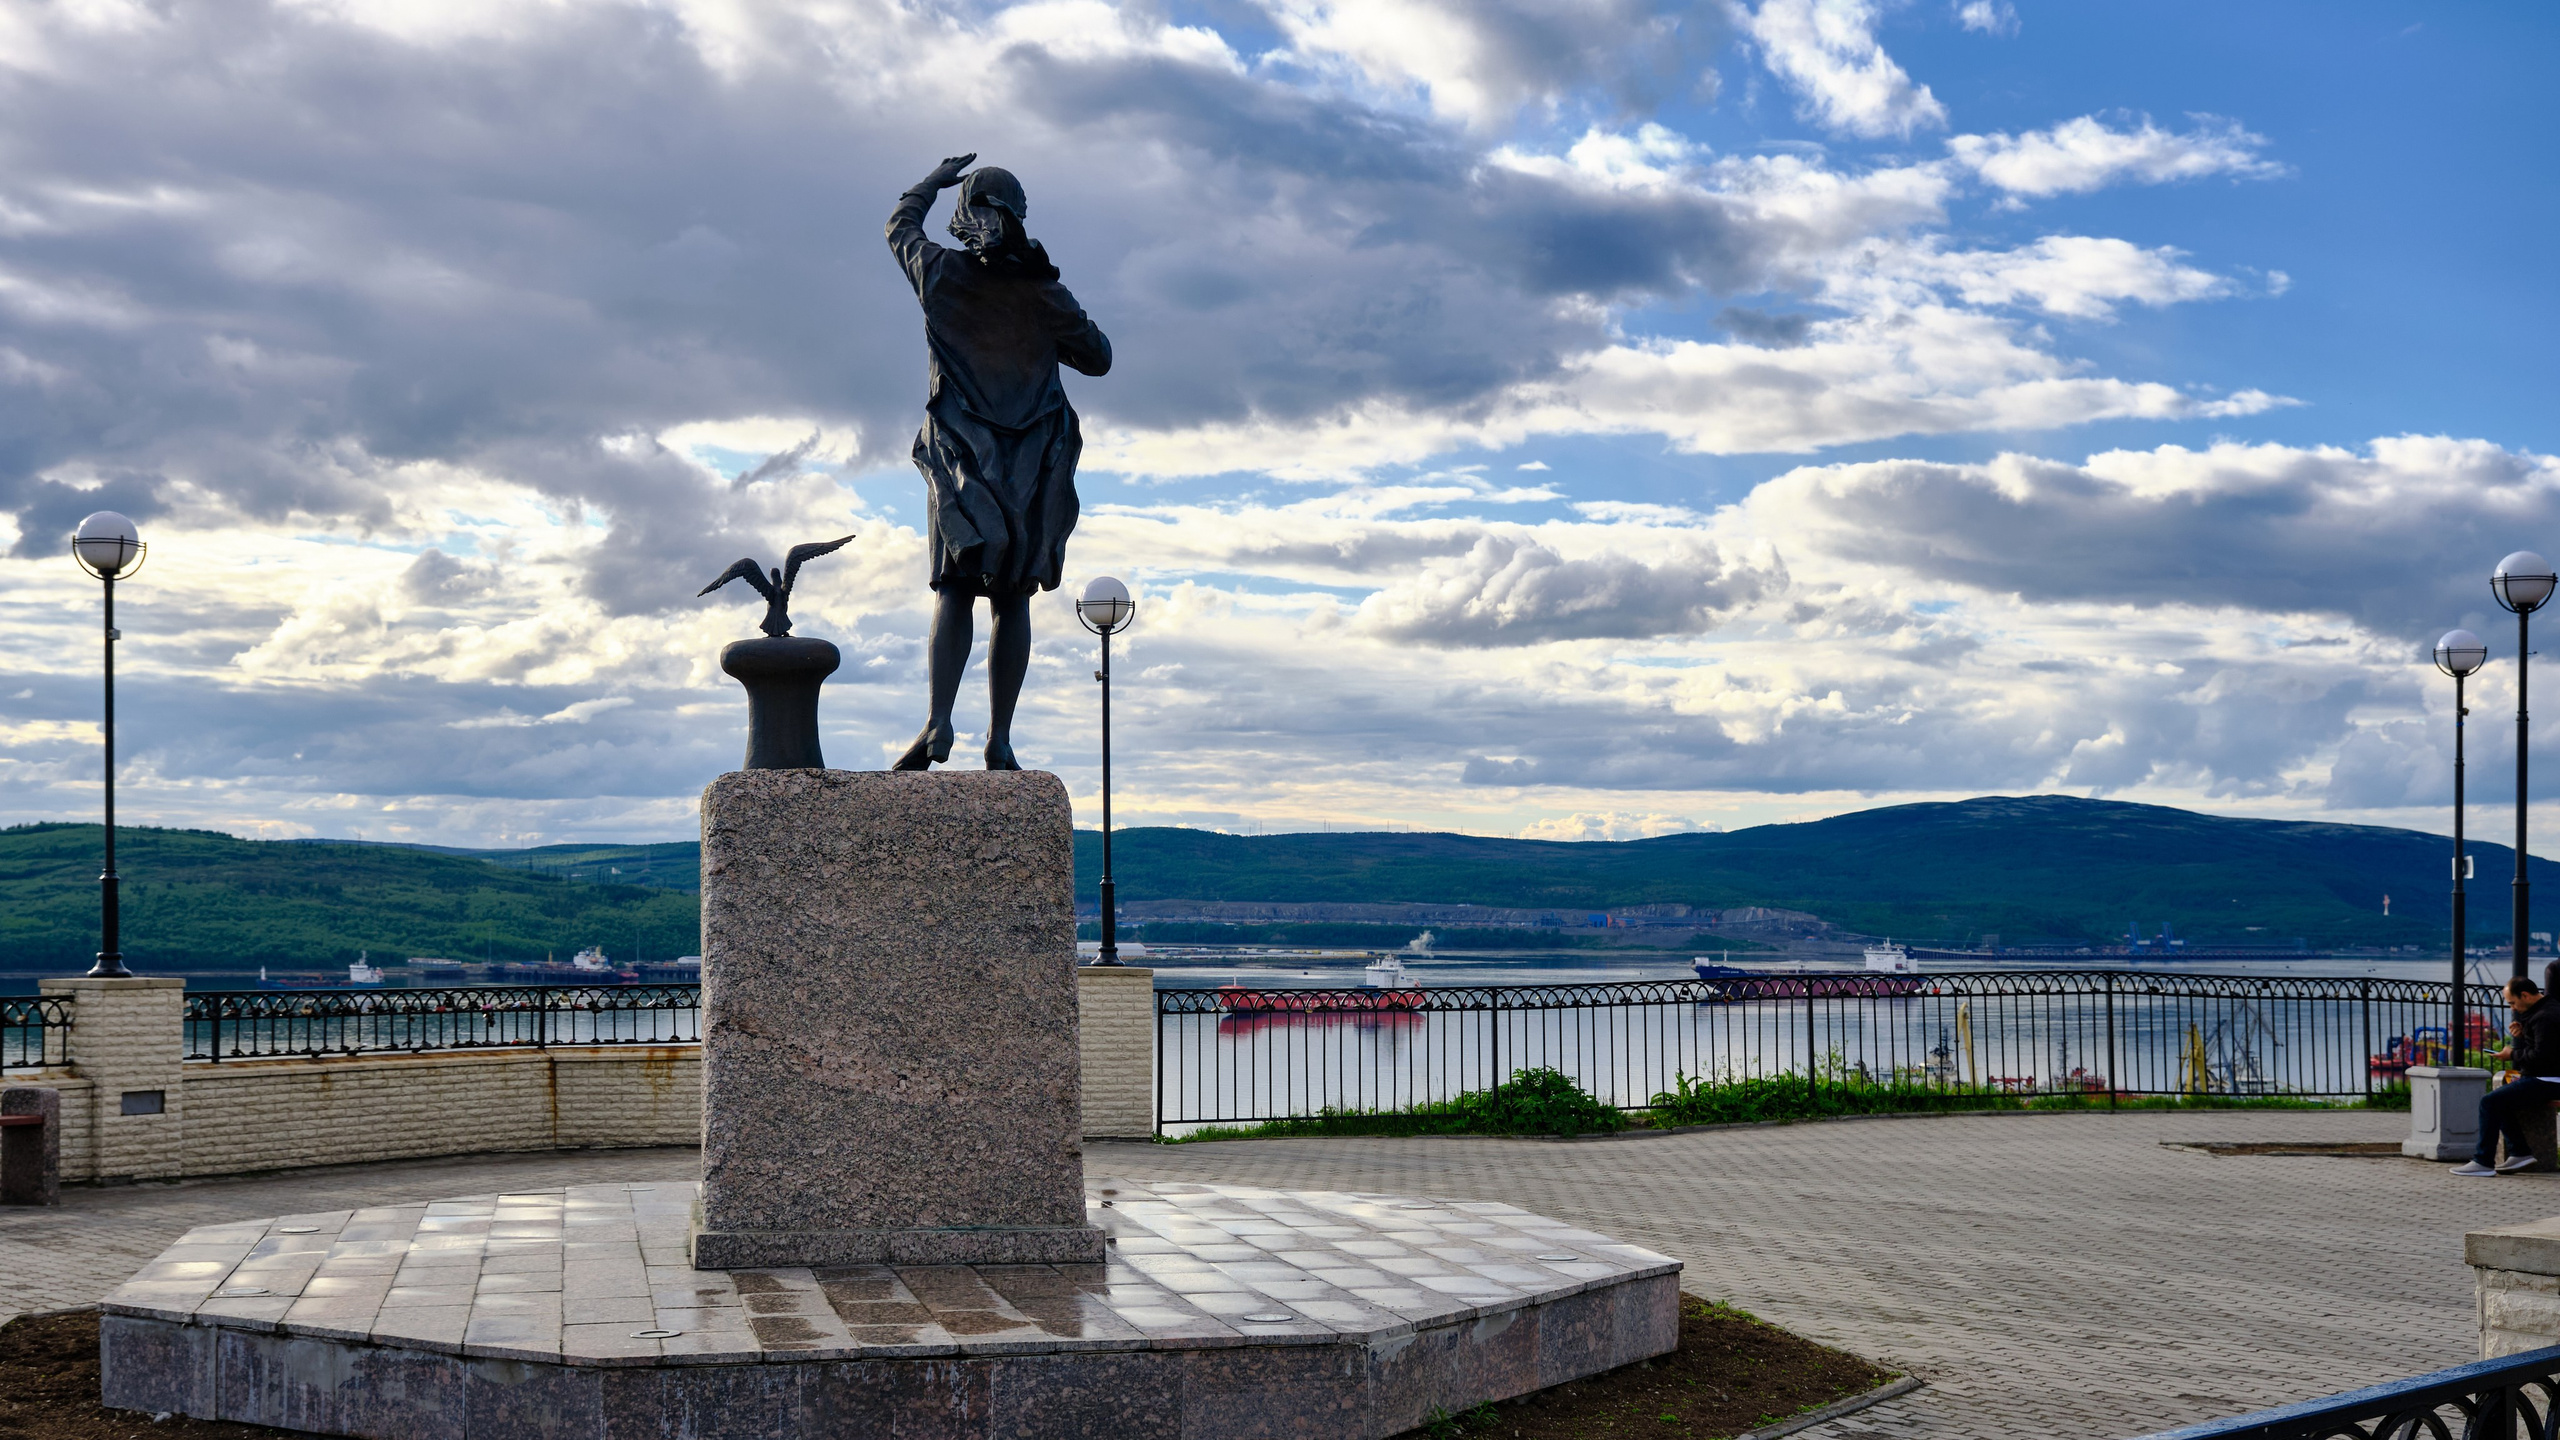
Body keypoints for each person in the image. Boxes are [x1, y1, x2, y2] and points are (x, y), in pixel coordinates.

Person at [884, 152, 1112, 771]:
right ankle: (1000, 737)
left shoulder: (938, 274)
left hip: (960, 465)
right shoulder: (1043, 293)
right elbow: (1098, 357)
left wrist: (930, 183)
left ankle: (937, 722)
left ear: (964, 216)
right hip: (1029, 468)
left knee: (954, 589)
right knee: (1013, 598)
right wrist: (1050, 307)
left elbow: (899, 227)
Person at [2451, 975, 2560, 1176]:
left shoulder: (2545, 1017)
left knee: (2489, 1102)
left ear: (2525, 995)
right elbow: (2544, 1045)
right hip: (2545, 1077)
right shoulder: (2547, 1008)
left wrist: (2511, 1054)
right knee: (2501, 1101)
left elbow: (2541, 1057)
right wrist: (2524, 1031)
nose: (2512, 1008)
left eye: (2513, 1002)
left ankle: (2483, 1162)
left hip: (2549, 1080)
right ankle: (2519, 1153)